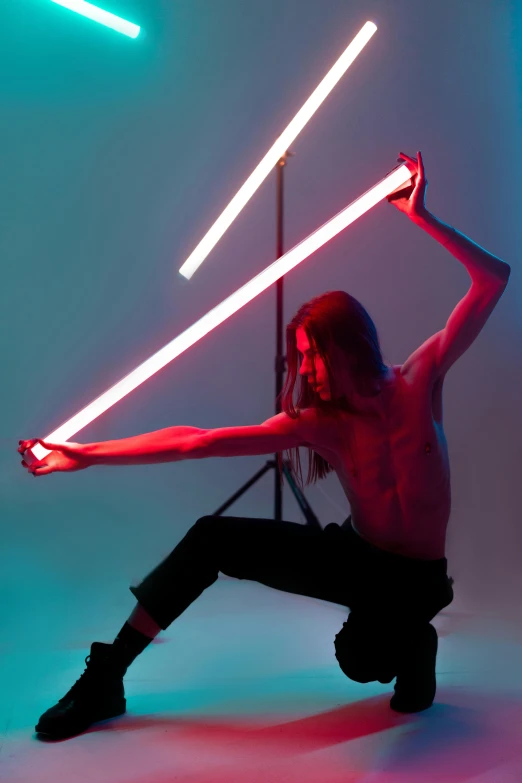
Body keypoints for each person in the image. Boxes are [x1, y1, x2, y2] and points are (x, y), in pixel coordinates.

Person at [19, 152, 510, 740]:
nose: (305, 369)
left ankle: (414, 644)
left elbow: (494, 279)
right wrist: (83, 453)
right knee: (210, 538)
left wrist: (421, 216)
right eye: (300, 356)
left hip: (417, 578)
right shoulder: (319, 424)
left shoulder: (420, 378)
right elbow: (195, 443)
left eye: (311, 354)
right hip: (356, 557)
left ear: (349, 346)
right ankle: (107, 677)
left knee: (361, 659)